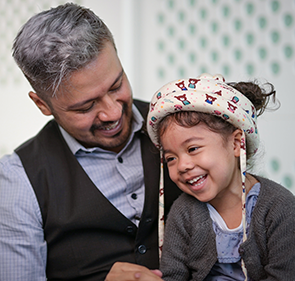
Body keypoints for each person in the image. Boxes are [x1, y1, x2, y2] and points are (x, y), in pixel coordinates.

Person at [0, 3, 181, 280]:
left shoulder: (181, 124)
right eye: (85, 107)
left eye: (116, 85)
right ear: (41, 104)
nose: (112, 112)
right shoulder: (18, 180)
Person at [146, 73, 295, 280]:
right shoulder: (183, 212)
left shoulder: (280, 208)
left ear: (236, 144)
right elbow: (174, 275)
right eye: (171, 158)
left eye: (193, 148)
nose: (183, 165)